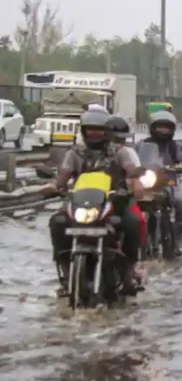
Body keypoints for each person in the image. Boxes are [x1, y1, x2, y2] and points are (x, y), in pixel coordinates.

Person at [42, 110, 146, 297]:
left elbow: (132, 172)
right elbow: (62, 180)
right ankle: (66, 277)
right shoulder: (74, 153)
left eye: (98, 130)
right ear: (84, 131)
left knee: (133, 222)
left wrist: (136, 183)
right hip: (80, 204)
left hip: (114, 202)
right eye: (90, 130)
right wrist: (53, 187)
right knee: (57, 222)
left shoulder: (121, 152)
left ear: (107, 131)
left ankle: (130, 272)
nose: (94, 134)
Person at [135, 111, 182, 251]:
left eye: (167, 127)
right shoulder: (140, 145)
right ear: (152, 128)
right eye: (160, 127)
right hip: (145, 184)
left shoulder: (174, 146)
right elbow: (130, 159)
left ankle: (178, 234)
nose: (163, 130)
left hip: (168, 183)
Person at [106, 115, 148, 248]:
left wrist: (136, 182)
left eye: (121, 139)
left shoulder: (125, 152)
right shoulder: (80, 151)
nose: (118, 142)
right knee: (60, 221)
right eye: (115, 138)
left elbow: (132, 171)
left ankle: (131, 262)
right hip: (90, 199)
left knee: (136, 221)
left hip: (118, 198)